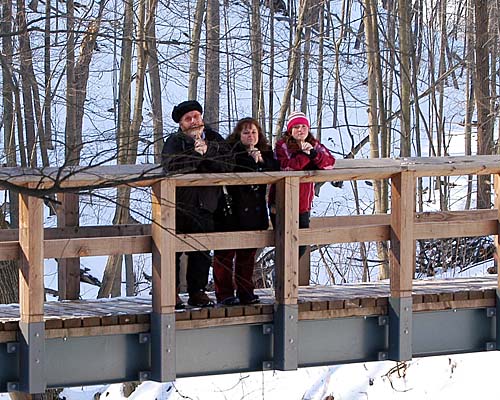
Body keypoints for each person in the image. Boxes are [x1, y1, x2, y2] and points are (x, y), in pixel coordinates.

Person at [161, 100, 232, 308]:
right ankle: (170, 292)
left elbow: (229, 161)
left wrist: (207, 151)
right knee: (172, 251)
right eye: (188, 118)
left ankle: (197, 292)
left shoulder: (214, 138)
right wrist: (195, 154)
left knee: (201, 251)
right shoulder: (175, 141)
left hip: (207, 204)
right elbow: (171, 166)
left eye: (196, 117)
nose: (194, 121)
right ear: (181, 123)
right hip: (178, 206)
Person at [213, 118, 279, 305]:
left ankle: (245, 291)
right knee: (225, 255)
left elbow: (275, 170)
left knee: (247, 256)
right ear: (238, 135)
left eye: (253, 132)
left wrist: (261, 161)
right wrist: (252, 161)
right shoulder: (230, 152)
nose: (250, 136)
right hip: (231, 211)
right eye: (246, 132)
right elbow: (233, 169)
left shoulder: (265, 152)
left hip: (254, 213)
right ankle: (224, 293)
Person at [269, 111, 335, 258]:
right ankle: (279, 278)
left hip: (303, 204)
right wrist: (305, 155)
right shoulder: (282, 146)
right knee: (284, 245)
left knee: (300, 245)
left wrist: (313, 155)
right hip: (281, 203)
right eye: (296, 127)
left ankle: (291, 280)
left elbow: (329, 163)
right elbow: (288, 167)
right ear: (290, 130)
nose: (300, 130)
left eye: (304, 126)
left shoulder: (314, 144)